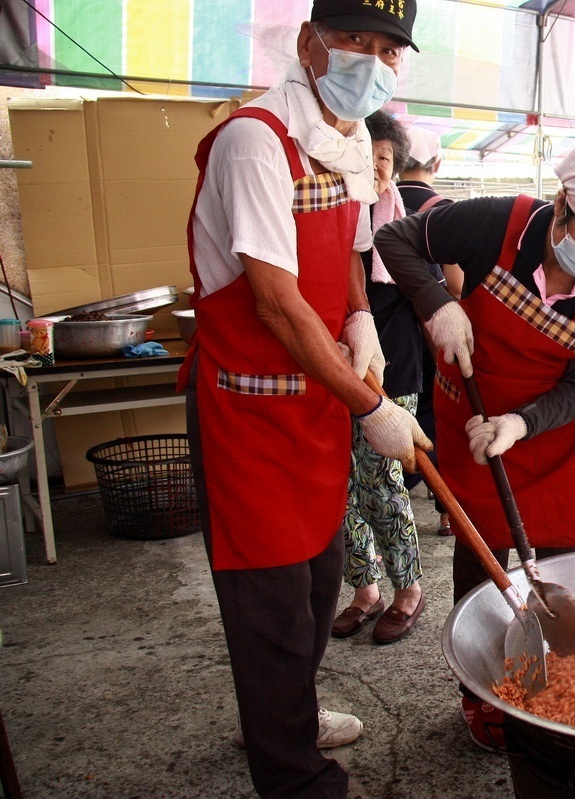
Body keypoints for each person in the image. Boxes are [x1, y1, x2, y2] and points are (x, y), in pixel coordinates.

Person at [180, 2, 430, 796]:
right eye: (355, 40)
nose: (372, 60)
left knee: (320, 583)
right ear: (306, 42)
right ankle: (295, 776)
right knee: (271, 604)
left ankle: (288, 708)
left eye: (388, 48)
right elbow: (275, 303)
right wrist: (370, 406)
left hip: (313, 404)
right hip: (249, 412)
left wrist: (360, 313)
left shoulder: (349, 140)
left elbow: (349, 248)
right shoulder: (257, 141)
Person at [374, 138, 575, 750]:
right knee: (481, 559)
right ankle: (481, 696)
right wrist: (438, 303)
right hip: (471, 423)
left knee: (557, 564)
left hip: (549, 437)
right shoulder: (497, 221)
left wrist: (522, 423)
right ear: (561, 206)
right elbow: (395, 239)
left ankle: (556, 689)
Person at [330, 111, 429, 645]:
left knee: (382, 481)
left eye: (384, 160)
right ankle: (365, 588)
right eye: (363, 158)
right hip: (335, 368)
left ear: (396, 164)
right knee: (342, 486)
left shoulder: (403, 228)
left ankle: (408, 587)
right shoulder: (331, 215)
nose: (373, 169)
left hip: (395, 373)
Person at [397, 125, 455, 536]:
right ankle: (447, 512)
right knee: (439, 422)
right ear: (436, 164)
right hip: (433, 333)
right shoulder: (442, 211)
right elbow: (458, 284)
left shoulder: (379, 201)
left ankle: (390, 493)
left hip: (390, 336)